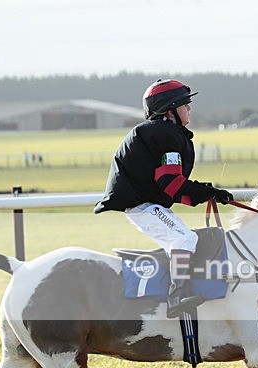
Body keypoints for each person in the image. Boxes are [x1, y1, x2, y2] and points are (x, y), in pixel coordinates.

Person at [94, 79, 233, 318]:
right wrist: (208, 191)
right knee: (184, 238)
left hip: (150, 205)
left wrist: (207, 193)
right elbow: (171, 184)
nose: (190, 109)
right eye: (185, 105)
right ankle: (176, 297)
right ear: (171, 109)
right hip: (143, 207)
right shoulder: (164, 134)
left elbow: (172, 187)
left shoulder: (162, 133)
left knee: (183, 240)